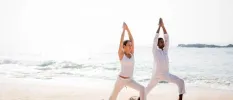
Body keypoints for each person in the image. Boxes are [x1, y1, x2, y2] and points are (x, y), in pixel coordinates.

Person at [145, 18, 186, 100]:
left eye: (163, 42)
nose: (163, 43)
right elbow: (155, 39)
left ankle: (180, 98)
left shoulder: (165, 50)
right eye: (161, 42)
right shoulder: (155, 50)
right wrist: (159, 27)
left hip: (166, 75)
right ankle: (139, 99)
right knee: (146, 89)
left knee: (181, 82)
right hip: (156, 76)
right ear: (157, 44)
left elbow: (167, 37)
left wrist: (163, 26)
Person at [109, 22, 146, 100]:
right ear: (124, 46)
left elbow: (132, 40)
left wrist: (127, 28)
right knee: (113, 97)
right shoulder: (121, 54)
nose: (130, 46)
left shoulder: (132, 54)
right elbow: (120, 42)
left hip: (130, 80)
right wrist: (124, 30)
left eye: (131, 45)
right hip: (121, 80)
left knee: (142, 89)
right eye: (128, 45)